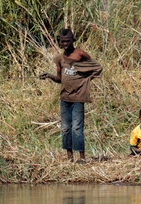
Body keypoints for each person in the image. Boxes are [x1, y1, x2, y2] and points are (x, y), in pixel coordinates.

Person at [39, 28, 103, 163]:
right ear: (60, 43)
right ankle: (70, 158)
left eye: (68, 41)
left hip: (78, 98)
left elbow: (95, 67)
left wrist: (85, 80)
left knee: (77, 128)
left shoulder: (80, 54)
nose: (66, 44)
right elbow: (59, 79)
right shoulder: (59, 59)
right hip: (65, 98)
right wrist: (49, 76)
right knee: (66, 128)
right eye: (63, 42)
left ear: (73, 41)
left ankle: (82, 158)